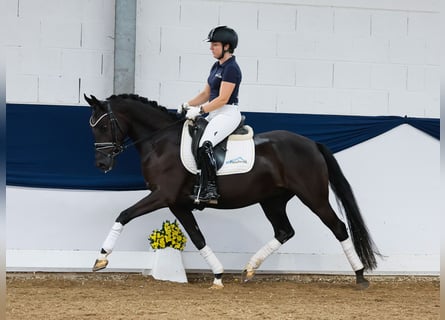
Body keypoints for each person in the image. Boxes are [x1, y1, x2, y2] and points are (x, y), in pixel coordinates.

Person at [178, 26, 242, 204]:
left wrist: (200, 110)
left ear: (227, 46)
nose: (211, 48)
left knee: (205, 144)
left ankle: (211, 190)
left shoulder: (231, 68)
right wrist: (187, 104)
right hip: (213, 112)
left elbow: (222, 99)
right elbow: (206, 94)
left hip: (227, 113)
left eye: (215, 44)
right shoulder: (216, 66)